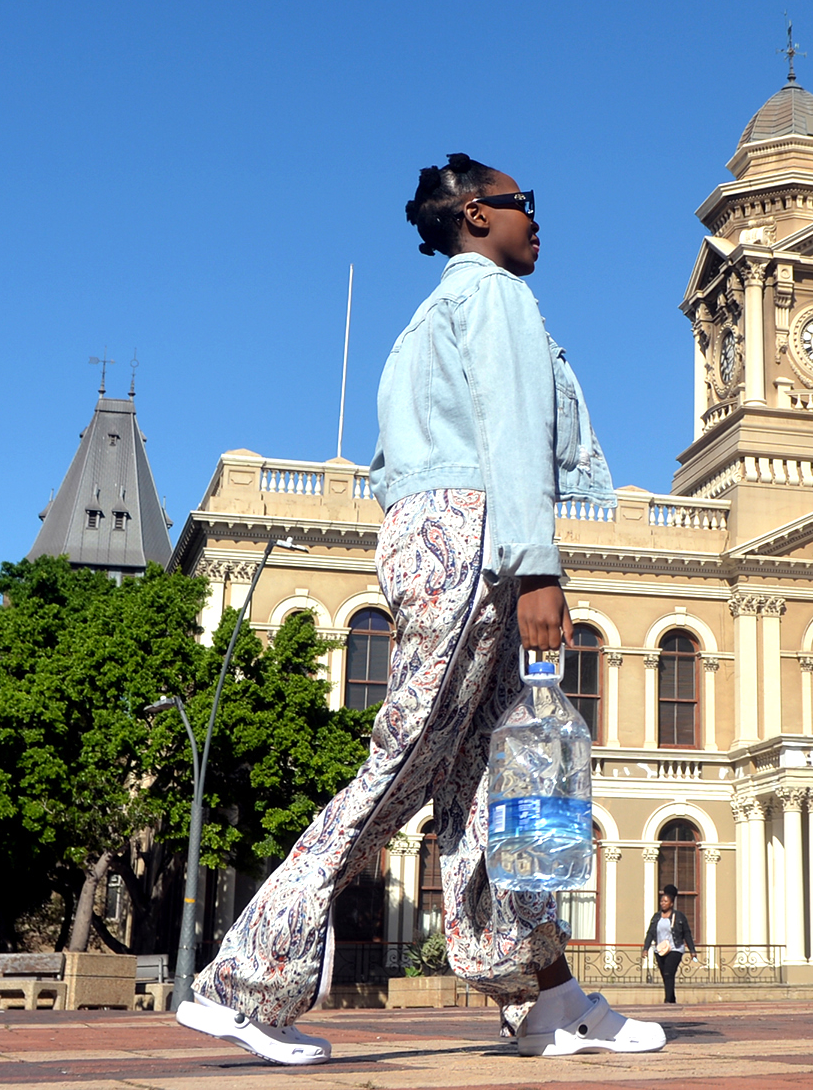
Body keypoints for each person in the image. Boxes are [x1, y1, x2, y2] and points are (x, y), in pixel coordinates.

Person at [175, 153, 663, 1064]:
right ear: (477, 214)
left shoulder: (423, 324)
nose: (536, 220)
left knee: (493, 785)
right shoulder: (496, 297)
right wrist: (535, 566)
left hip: (434, 534)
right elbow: (513, 432)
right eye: (523, 203)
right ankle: (244, 984)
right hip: (474, 537)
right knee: (401, 766)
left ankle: (547, 996)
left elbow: (396, 464)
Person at [643, 885, 697, 1004]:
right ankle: (672, 998)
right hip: (660, 949)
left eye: (665, 901)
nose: (663, 903)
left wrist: (692, 950)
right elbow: (650, 933)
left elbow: (687, 933)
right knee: (665, 974)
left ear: (671, 904)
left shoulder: (679, 916)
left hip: (675, 948)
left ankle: (667, 1000)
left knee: (669, 971)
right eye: (661, 901)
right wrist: (645, 948)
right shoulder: (656, 917)